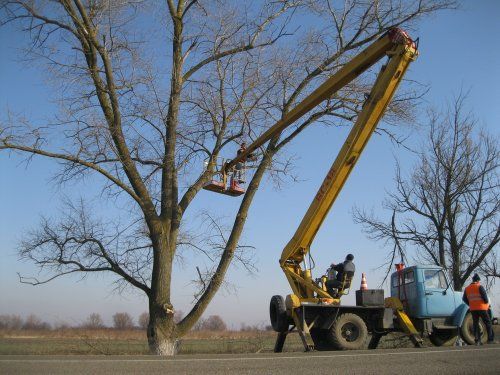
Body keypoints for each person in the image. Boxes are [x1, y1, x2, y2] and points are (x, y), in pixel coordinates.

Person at [462, 273, 495, 345]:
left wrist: (470, 304)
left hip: (473, 309)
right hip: (482, 308)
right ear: (478, 280)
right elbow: (486, 299)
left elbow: (464, 299)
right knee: (488, 323)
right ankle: (490, 340)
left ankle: (477, 341)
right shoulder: (479, 287)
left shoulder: (467, 288)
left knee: (475, 324)